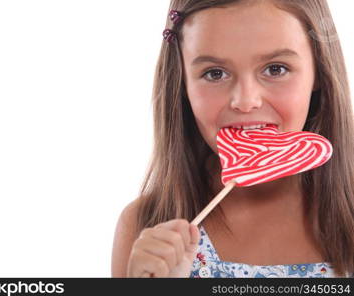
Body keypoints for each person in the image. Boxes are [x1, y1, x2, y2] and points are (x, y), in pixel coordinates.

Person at [112, 0, 354, 278]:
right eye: (215, 73)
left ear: (319, 72)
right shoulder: (147, 228)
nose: (245, 101)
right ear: (182, 84)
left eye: (276, 69)